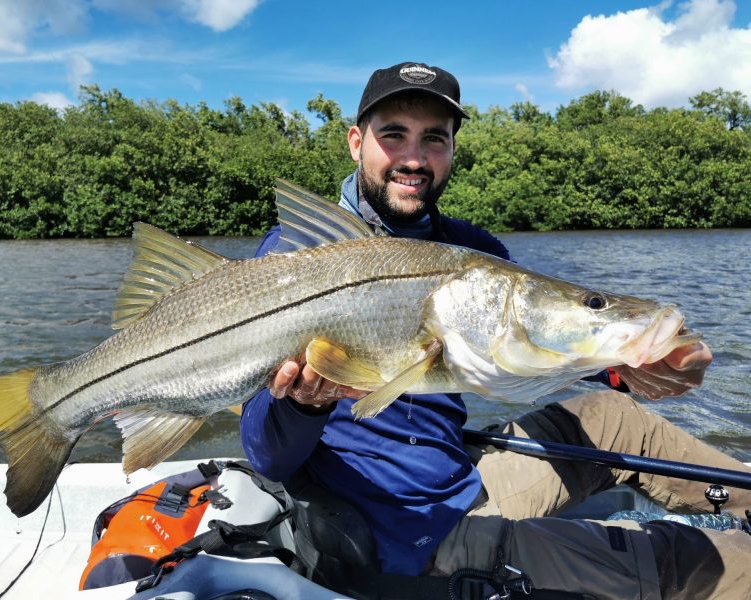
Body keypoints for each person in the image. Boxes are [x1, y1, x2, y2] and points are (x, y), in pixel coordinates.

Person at [240, 62, 751, 598]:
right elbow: (267, 457)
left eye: (434, 138)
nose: (414, 158)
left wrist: (629, 362)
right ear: (355, 142)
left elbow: (524, 341)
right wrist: (304, 404)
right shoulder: (295, 256)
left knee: (621, 418)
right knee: (716, 562)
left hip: (460, 482)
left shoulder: (475, 252)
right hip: (407, 537)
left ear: (452, 149)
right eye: (393, 135)